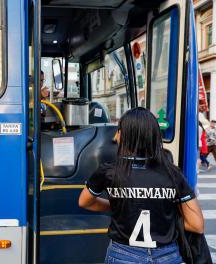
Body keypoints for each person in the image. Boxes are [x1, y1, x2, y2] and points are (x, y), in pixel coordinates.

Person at [78, 107, 204, 263]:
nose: (115, 136)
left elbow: (84, 202)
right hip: (166, 257)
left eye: (119, 130)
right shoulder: (172, 173)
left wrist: (122, 205)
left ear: (125, 135)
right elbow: (196, 225)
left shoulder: (109, 171)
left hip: (122, 255)